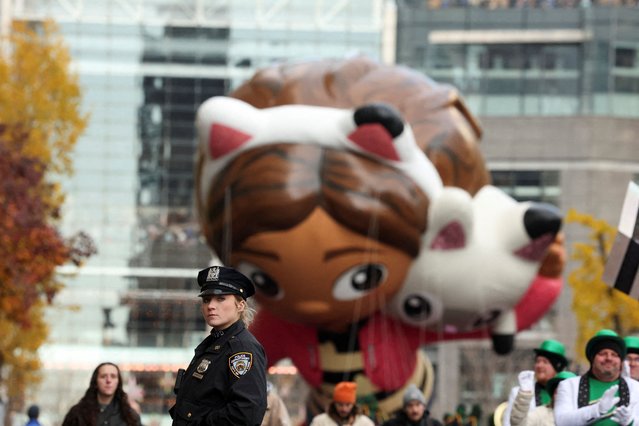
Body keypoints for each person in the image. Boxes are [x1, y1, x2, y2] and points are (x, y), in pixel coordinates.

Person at [169, 265, 267, 425]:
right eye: (206, 299)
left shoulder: (242, 348)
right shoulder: (215, 342)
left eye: (220, 299)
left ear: (240, 305)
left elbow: (245, 412)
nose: (211, 306)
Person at [554, 329, 639, 425]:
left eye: (614, 354)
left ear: (620, 361)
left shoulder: (636, 388)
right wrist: (597, 409)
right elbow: (561, 422)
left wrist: (631, 422)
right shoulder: (568, 385)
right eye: (603, 353)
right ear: (592, 358)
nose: (609, 358)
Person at [502, 339, 568, 426]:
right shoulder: (519, 393)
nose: (539, 365)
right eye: (537, 361)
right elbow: (508, 423)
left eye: (545, 362)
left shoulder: (567, 393)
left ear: (557, 367)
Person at [62, 362, 141, 426]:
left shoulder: (130, 417)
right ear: (95, 381)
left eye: (113, 376)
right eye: (103, 376)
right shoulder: (77, 414)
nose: (108, 380)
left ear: (118, 382)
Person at [509, 371, 576, 426]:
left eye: (566, 392)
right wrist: (524, 395)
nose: (561, 396)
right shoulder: (541, 414)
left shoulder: (581, 416)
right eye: (557, 391)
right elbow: (519, 424)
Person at [309, 381, 375, 426]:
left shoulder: (365, 423)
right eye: (340, 404)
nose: (344, 409)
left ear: (353, 404)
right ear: (334, 404)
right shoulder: (320, 422)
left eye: (348, 404)